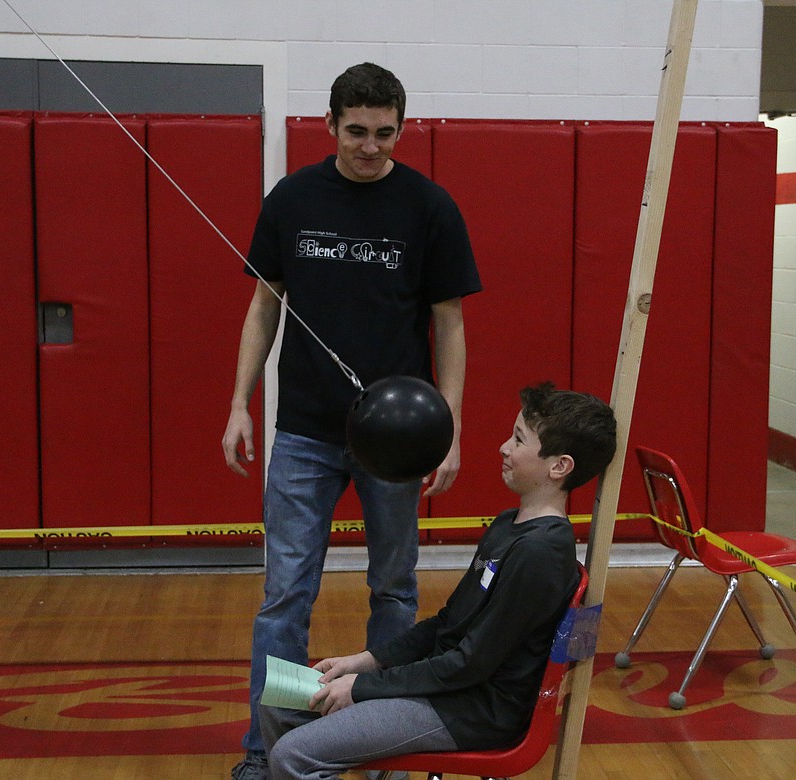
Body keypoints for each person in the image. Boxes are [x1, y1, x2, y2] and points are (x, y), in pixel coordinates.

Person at [222, 62, 482, 780]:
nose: (372, 146)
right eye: (358, 131)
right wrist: (240, 404)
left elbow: (450, 322)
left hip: (396, 444)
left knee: (394, 593)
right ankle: (263, 750)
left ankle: (385, 749)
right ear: (331, 124)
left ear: (402, 128)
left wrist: (451, 427)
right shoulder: (293, 198)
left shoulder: (429, 207)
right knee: (284, 599)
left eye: (386, 133)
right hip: (304, 432)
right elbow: (262, 307)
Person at [258, 382, 618, 780]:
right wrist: (366, 661)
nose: (504, 447)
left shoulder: (541, 554)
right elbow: (446, 622)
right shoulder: (506, 526)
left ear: (559, 466)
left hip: (470, 710)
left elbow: (469, 665)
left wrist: (362, 687)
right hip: (446, 687)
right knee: (278, 701)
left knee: (293, 756)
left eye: (518, 440)